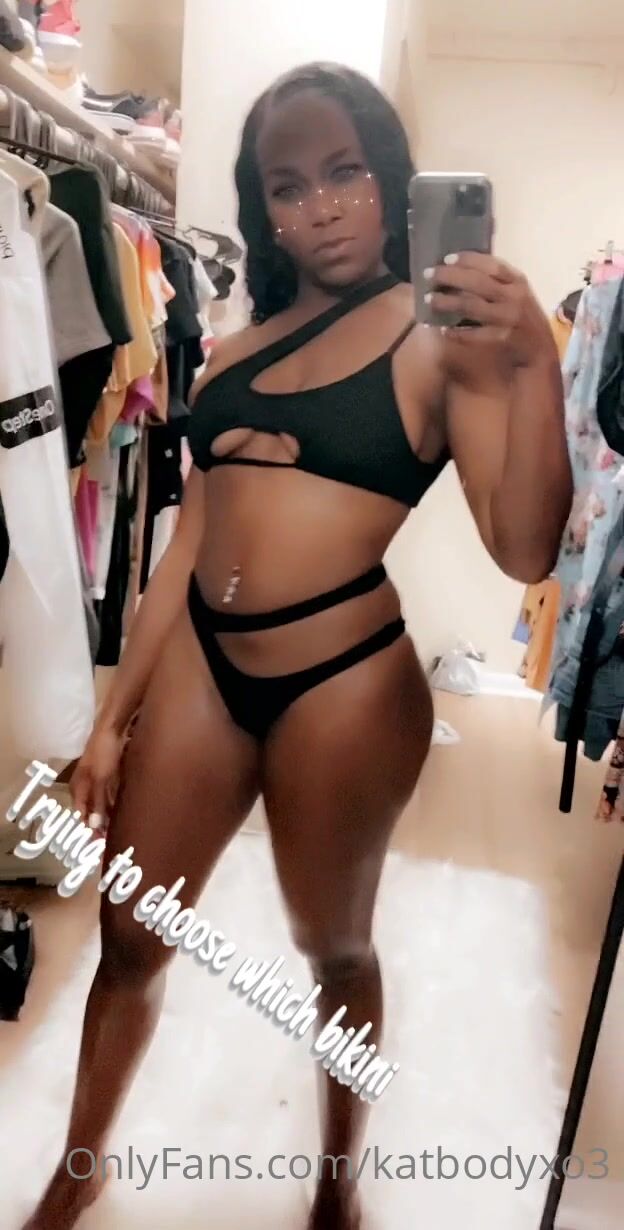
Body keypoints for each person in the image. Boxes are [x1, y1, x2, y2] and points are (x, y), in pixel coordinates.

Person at [24, 62, 572, 1230]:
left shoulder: (442, 339)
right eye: (288, 186)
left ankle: (336, 1182)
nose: (320, 207)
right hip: (203, 668)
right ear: (262, 208)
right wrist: (112, 723)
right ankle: (76, 1173)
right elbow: (187, 543)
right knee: (129, 930)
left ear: (392, 180)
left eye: (345, 173)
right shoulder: (234, 351)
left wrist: (533, 361)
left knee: (334, 947)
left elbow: (525, 549)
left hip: (345, 681)